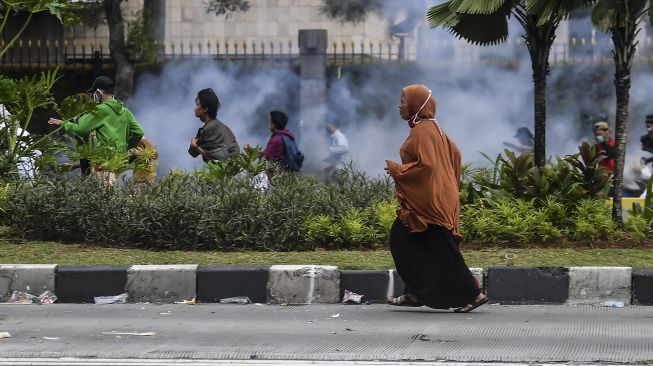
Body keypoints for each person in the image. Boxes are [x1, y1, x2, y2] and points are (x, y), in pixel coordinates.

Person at [385, 84, 487, 313]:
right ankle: (414, 291)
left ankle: (474, 293)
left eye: (403, 101)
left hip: (431, 202)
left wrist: (397, 170)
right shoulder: (432, 127)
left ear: (416, 105)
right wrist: (448, 181)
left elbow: (427, 165)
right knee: (405, 240)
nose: (399, 105)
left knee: (443, 250)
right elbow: (455, 153)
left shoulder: (422, 130)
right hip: (436, 195)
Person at [48, 76, 144, 181]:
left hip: (102, 163)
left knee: (101, 195)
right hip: (118, 164)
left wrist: (63, 123)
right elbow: (139, 132)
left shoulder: (100, 109)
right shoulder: (125, 111)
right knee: (114, 194)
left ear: (99, 92)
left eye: (94, 92)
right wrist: (125, 146)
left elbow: (80, 129)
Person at [188, 88, 239, 162]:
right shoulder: (220, 125)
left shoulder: (208, 129)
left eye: (197, 105)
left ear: (205, 109)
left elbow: (193, 153)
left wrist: (195, 146)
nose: (195, 108)